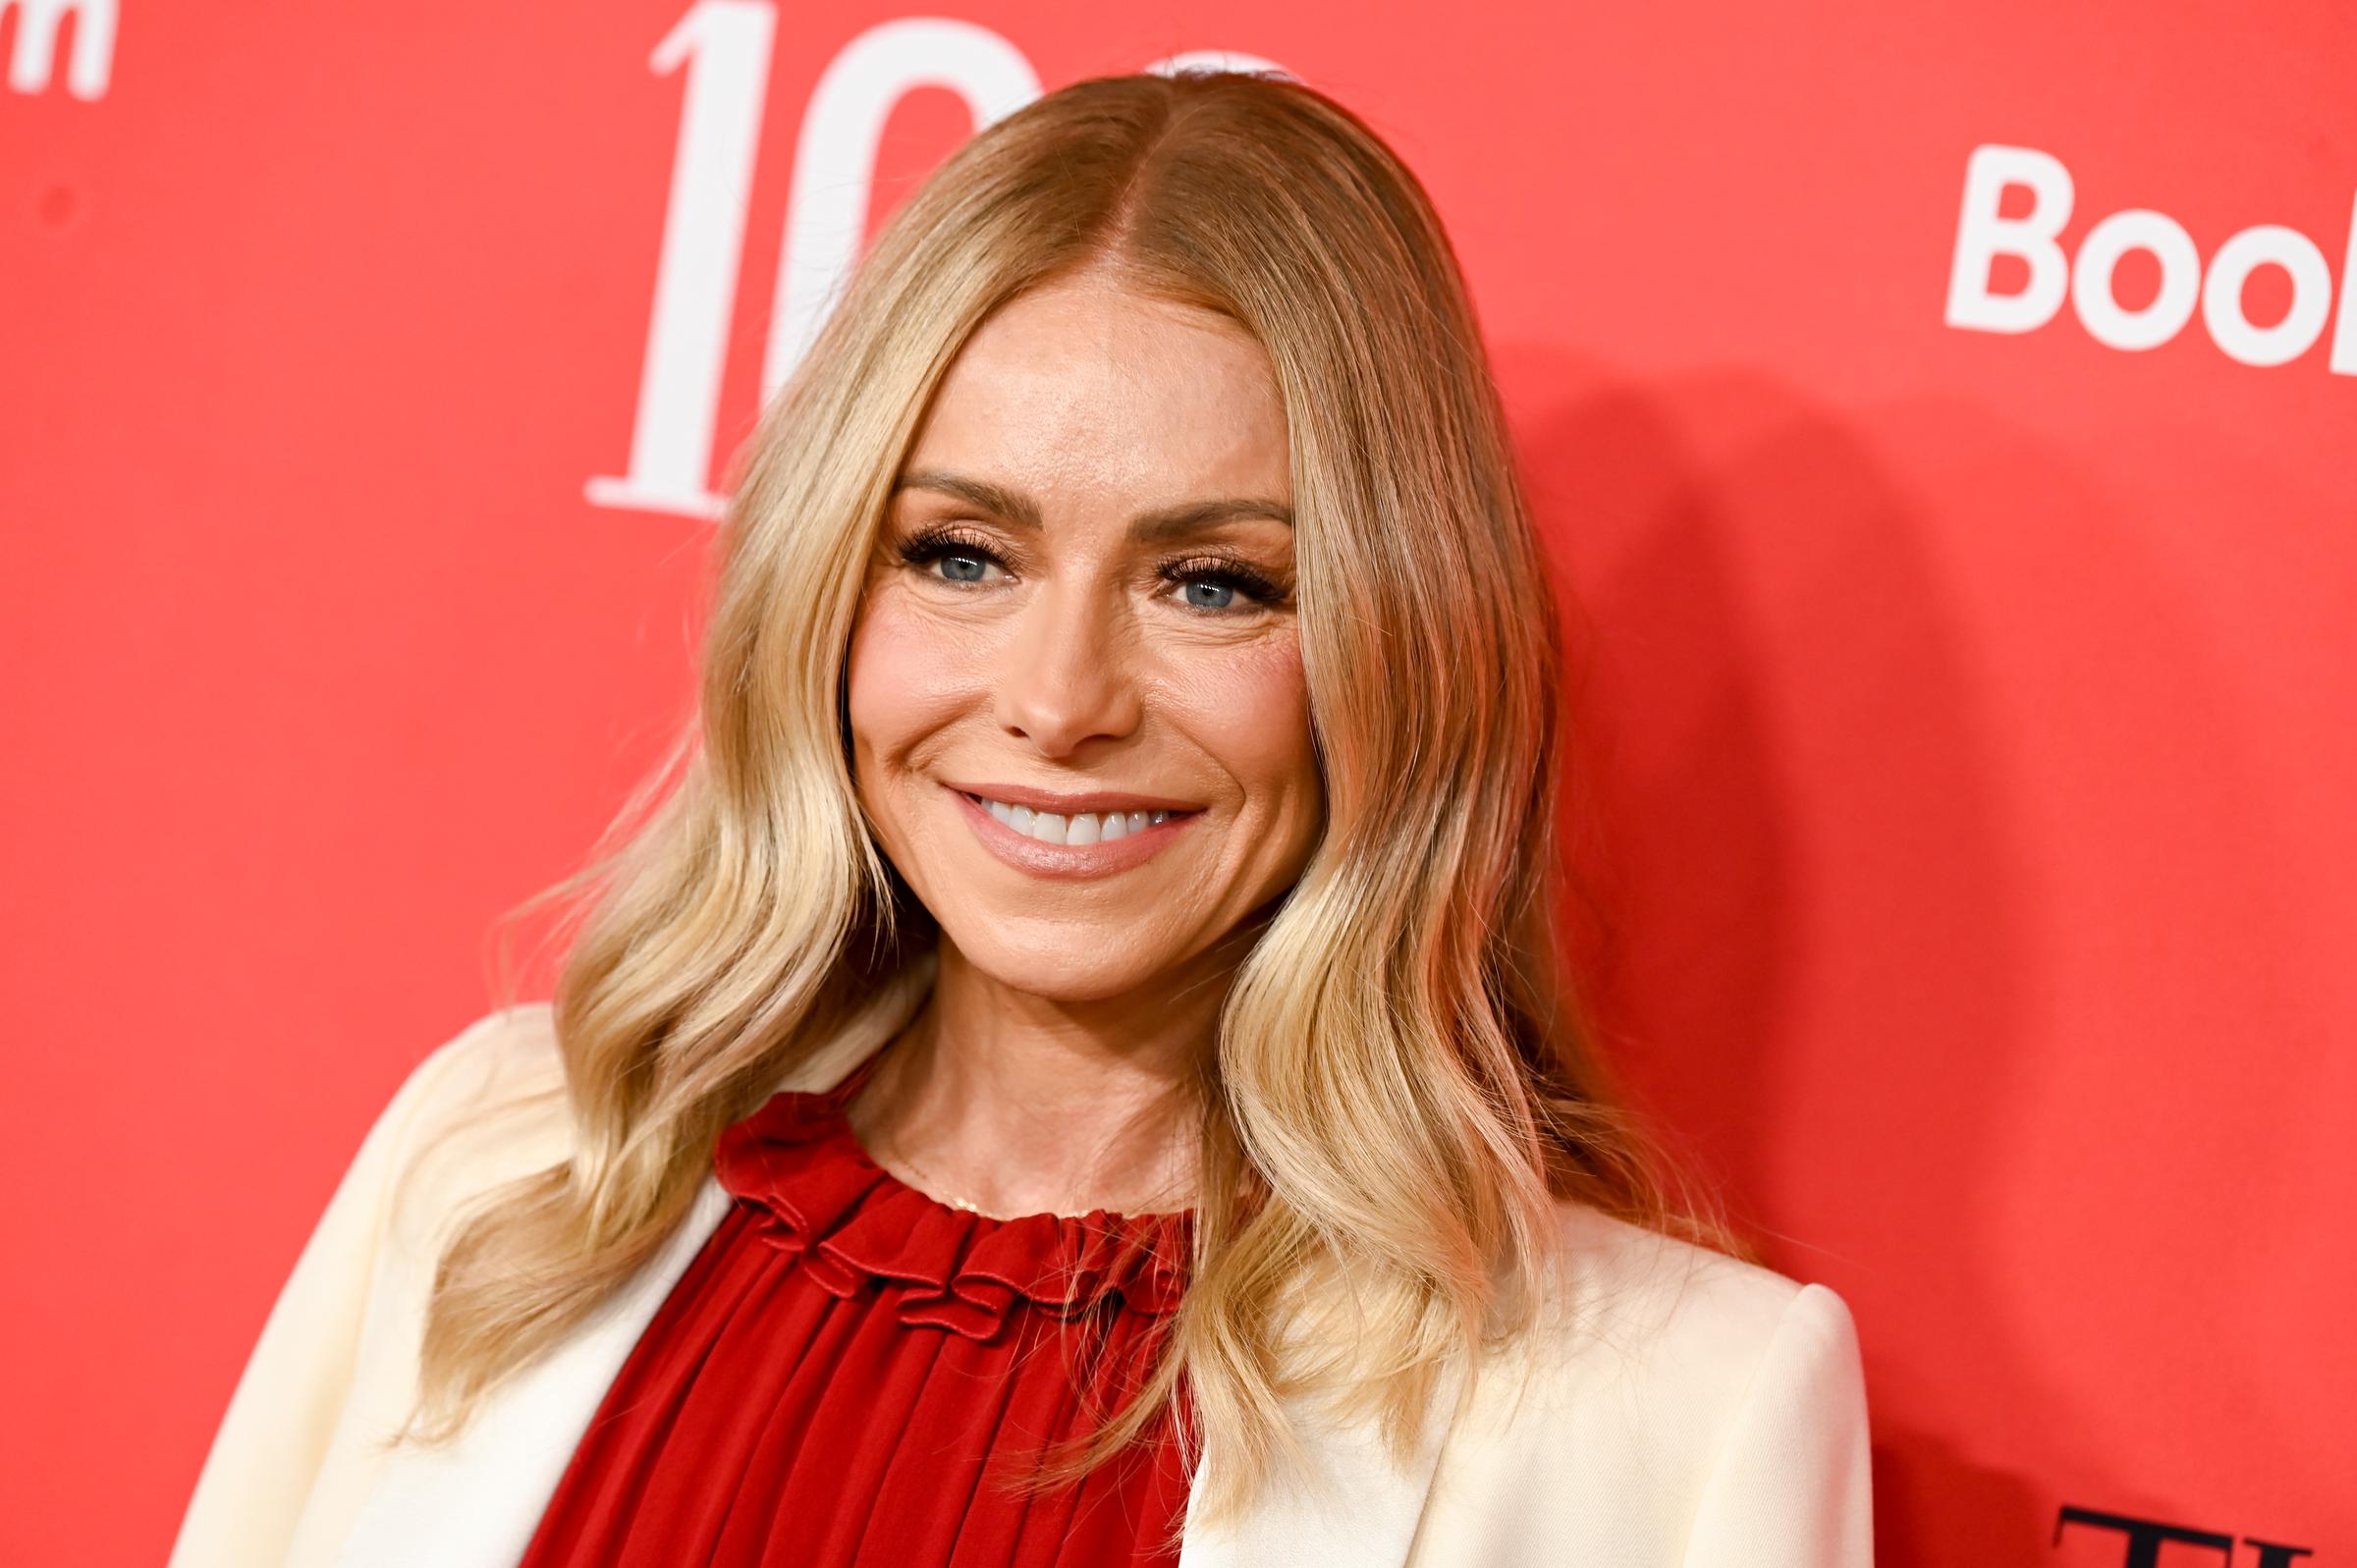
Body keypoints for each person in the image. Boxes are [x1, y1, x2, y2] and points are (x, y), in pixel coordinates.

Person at [167, 69, 1871, 1568]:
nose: (1061, 701)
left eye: (1215, 583)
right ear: (827, 591)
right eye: (961, 555)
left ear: (1402, 643)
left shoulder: (1674, 1415)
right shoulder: (496, 1165)